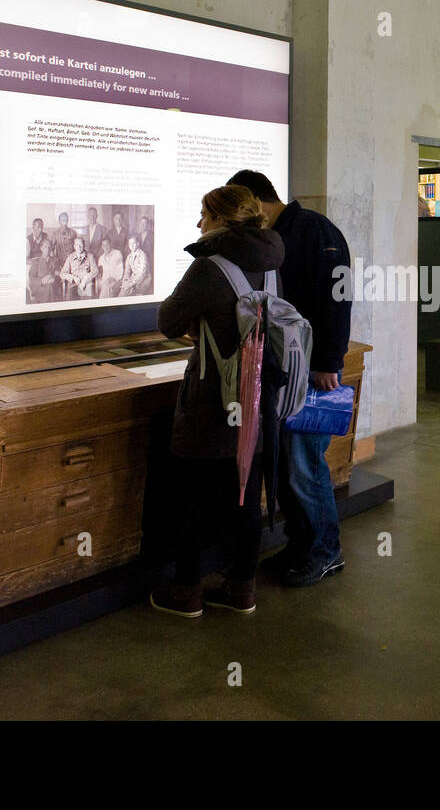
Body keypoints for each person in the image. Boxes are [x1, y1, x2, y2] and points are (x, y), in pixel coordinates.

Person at [150, 185, 284, 616]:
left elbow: (168, 321)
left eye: (204, 214)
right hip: (257, 397)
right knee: (245, 493)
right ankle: (241, 589)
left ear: (223, 220)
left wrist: (198, 319)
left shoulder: (209, 268)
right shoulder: (272, 266)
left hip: (210, 400)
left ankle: (187, 592)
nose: (198, 223)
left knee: (187, 496)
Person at [227, 169, 351, 587]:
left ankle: (325, 552)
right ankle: (300, 547)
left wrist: (329, 361)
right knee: (287, 465)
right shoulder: (281, 233)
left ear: (258, 201)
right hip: (286, 372)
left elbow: (338, 296)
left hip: (313, 373)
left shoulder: (314, 230)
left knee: (304, 464)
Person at [28, 237, 62, 303]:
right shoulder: (36, 262)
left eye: (49, 247)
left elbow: (58, 273)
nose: (47, 249)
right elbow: (32, 279)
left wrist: (52, 277)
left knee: (50, 287)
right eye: (45, 247)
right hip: (40, 287)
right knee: (49, 288)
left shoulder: (55, 260)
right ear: (41, 248)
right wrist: (42, 281)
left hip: (52, 284)